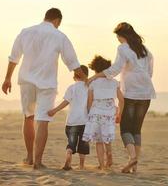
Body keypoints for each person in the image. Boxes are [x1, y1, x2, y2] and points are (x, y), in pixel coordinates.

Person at [1, 8, 87, 169]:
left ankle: (29, 157)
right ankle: (38, 162)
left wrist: (7, 78)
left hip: (26, 81)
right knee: (42, 121)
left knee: (28, 117)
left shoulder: (25, 32)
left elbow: (14, 58)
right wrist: (86, 79)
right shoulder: (59, 35)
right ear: (58, 21)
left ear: (45, 17)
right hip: (46, 84)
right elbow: (73, 63)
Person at [87, 22, 156, 173]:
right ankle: (134, 167)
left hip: (131, 90)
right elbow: (150, 70)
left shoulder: (123, 48)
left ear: (121, 36)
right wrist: (143, 79)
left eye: (117, 36)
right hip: (146, 91)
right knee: (137, 129)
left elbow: (115, 69)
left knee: (125, 128)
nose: (117, 39)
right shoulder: (144, 49)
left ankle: (132, 158)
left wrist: (94, 77)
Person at [82, 55, 124, 170]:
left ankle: (101, 165)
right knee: (107, 138)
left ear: (95, 69)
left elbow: (89, 100)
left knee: (98, 141)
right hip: (110, 112)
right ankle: (109, 155)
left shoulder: (93, 83)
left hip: (96, 112)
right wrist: (119, 113)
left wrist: (89, 113)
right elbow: (121, 100)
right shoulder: (114, 82)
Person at [47, 65, 90, 171]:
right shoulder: (89, 88)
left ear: (74, 76)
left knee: (71, 143)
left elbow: (65, 102)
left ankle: (68, 156)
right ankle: (81, 165)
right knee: (83, 144)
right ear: (87, 76)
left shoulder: (72, 88)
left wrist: (54, 110)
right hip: (85, 121)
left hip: (72, 122)